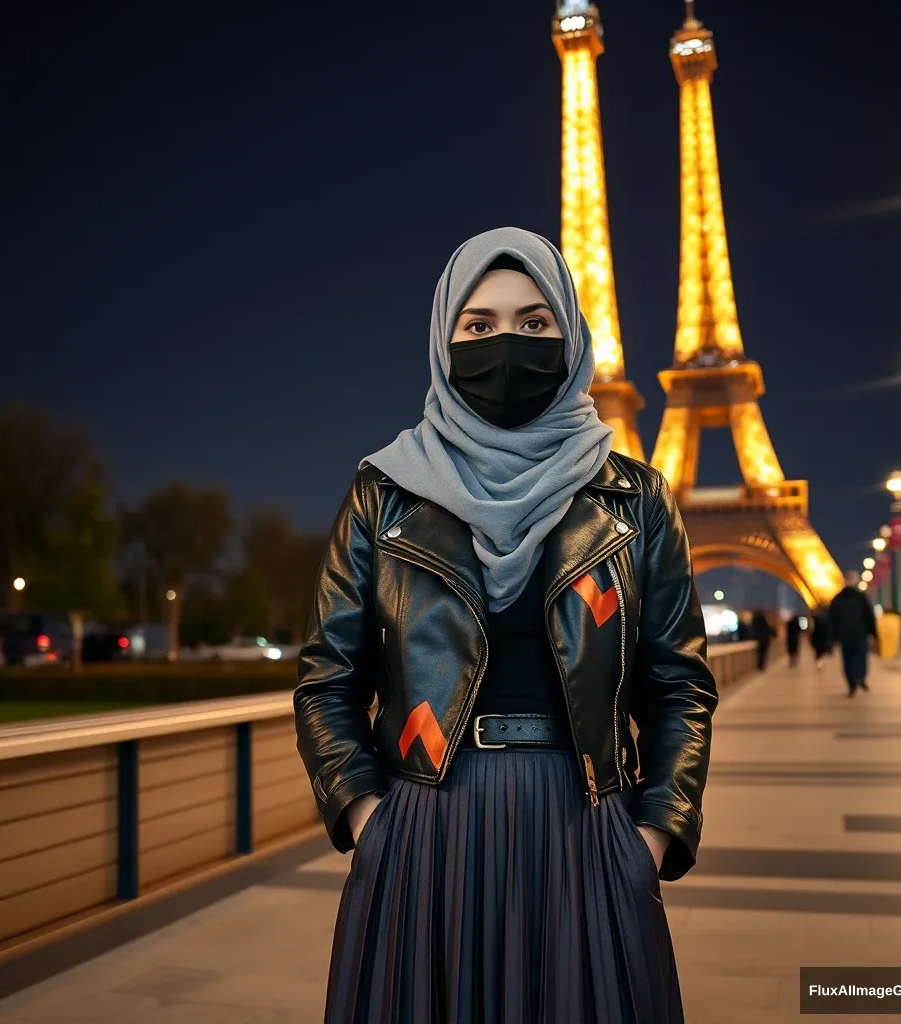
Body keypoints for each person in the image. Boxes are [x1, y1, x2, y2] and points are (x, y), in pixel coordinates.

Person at [294, 228, 718, 1023]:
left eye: (533, 323)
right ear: (443, 339)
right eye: (479, 327)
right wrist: (367, 818)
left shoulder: (636, 498)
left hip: (589, 821)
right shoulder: (383, 492)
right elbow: (327, 677)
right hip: (427, 824)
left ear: (570, 333)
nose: (507, 345)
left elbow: (679, 684)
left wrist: (653, 836)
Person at [828, 571, 878, 696]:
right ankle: (860, 677)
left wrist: (832, 637)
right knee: (861, 657)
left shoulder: (837, 599)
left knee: (848, 659)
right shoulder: (861, 597)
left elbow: (832, 620)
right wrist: (874, 632)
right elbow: (869, 616)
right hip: (860, 634)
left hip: (844, 635)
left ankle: (852, 683)